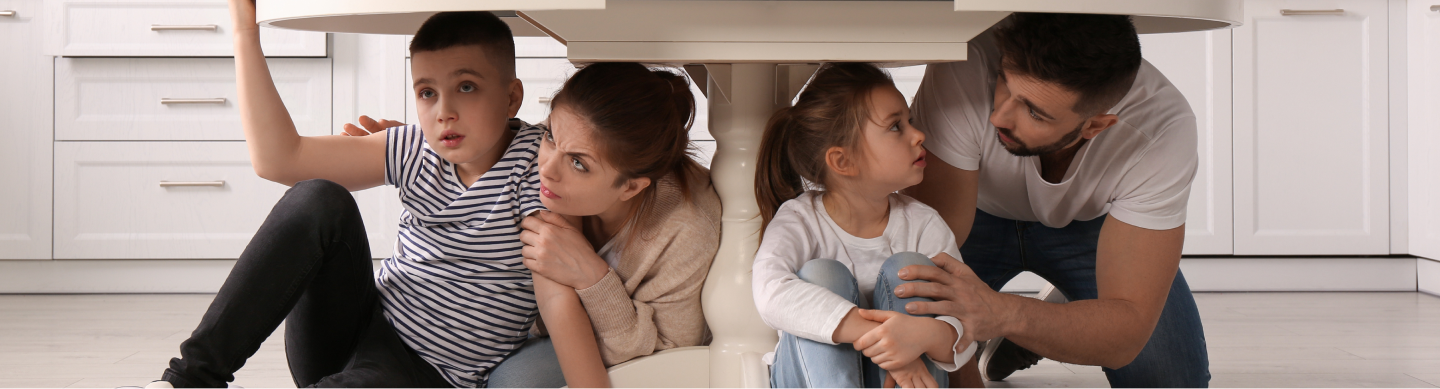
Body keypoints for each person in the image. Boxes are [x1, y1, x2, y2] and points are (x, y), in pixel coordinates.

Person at [126, 5, 547, 389]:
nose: (444, 112)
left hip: (426, 374)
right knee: (319, 196)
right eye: (427, 93)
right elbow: (279, 159)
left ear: (512, 97)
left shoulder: (540, 165)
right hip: (354, 329)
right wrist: (243, 32)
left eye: (467, 87)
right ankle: (188, 380)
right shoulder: (415, 146)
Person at [898, 13, 1209, 388]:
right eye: (1004, 85)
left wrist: (1006, 315)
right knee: (909, 317)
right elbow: (925, 263)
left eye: (1034, 112)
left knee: (1170, 380)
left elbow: (1127, 332)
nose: (998, 116)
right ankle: (1062, 319)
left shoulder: (1162, 130)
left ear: (1095, 126)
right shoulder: (966, 65)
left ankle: (1062, 314)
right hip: (973, 211)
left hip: (1089, 227)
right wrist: (961, 368)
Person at [486, 63, 722, 389]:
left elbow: (666, 363)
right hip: (555, 331)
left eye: (578, 164)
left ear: (630, 188)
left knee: (515, 382)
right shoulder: (570, 144)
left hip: (643, 360)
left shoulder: (686, 230)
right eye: (550, 135)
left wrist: (591, 276)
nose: (547, 169)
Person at [750, 63, 979, 389]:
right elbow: (770, 294)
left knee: (911, 268)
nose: (919, 135)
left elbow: (966, 328)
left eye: (909, 120)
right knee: (822, 275)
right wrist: (883, 338)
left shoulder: (925, 224)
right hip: (812, 380)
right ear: (843, 161)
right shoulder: (800, 220)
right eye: (896, 127)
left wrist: (919, 337)